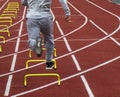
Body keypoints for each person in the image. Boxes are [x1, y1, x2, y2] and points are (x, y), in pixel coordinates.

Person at [21, 0, 71, 69]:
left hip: (32, 17)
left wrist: (32, 6)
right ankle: (49, 62)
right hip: (45, 16)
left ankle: (36, 47)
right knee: (48, 39)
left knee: (32, 39)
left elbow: (23, 2)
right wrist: (67, 12)